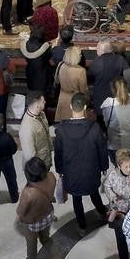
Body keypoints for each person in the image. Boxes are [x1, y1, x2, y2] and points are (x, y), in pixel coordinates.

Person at [54, 92, 108, 233]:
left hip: (71, 172)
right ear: (85, 107)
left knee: (76, 199)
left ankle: (82, 226)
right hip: (91, 170)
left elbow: (58, 153)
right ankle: (102, 212)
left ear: (71, 106)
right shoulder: (95, 128)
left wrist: (60, 170)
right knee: (94, 193)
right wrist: (104, 167)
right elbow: (102, 150)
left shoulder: (61, 130)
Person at [16, 157, 67, 259]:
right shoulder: (51, 176)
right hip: (48, 215)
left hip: (33, 222)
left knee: (31, 244)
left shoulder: (28, 193)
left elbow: (20, 212)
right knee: (46, 239)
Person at [101, 77, 130, 162]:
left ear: (113, 89)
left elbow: (106, 123)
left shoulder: (107, 106)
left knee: (118, 165)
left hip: (115, 144)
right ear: (127, 87)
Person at [88, 39, 127, 111]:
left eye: (97, 49)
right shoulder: (120, 59)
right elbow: (127, 75)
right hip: (117, 98)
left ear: (101, 50)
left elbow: (90, 78)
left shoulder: (96, 63)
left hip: (101, 100)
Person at [19, 91, 52, 172]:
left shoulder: (41, 114)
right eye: (43, 101)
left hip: (45, 161)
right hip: (37, 169)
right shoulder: (27, 128)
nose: (45, 102)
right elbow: (30, 156)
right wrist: (38, 173)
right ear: (37, 105)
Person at [55, 45, 88, 121]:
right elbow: (83, 90)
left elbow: (57, 80)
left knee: (62, 121)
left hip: (62, 97)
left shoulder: (61, 65)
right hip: (75, 100)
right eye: (79, 54)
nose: (81, 55)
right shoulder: (81, 71)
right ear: (76, 56)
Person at [20, 24, 53, 94]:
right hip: (42, 75)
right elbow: (48, 57)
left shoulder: (27, 45)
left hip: (30, 72)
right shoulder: (45, 47)